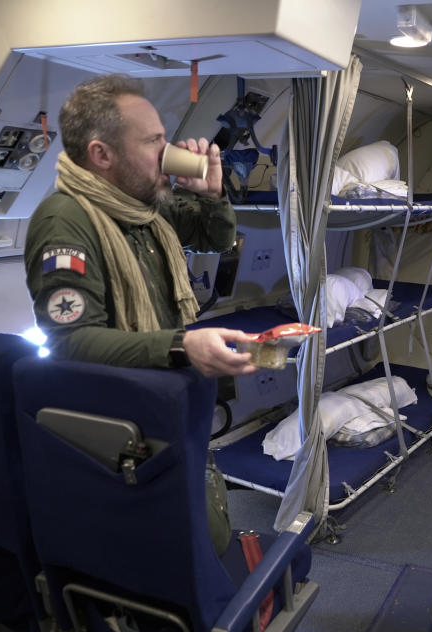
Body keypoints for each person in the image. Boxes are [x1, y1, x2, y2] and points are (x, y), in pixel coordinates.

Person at [24, 73, 258, 554]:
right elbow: (70, 341)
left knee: (199, 536)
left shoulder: (143, 205)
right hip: (120, 424)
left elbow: (212, 239)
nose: (164, 150)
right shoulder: (64, 220)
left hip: (163, 402)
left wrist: (210, 196)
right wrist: (180, 345)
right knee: (187, 543)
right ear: (101, 154)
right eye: (152, 141)